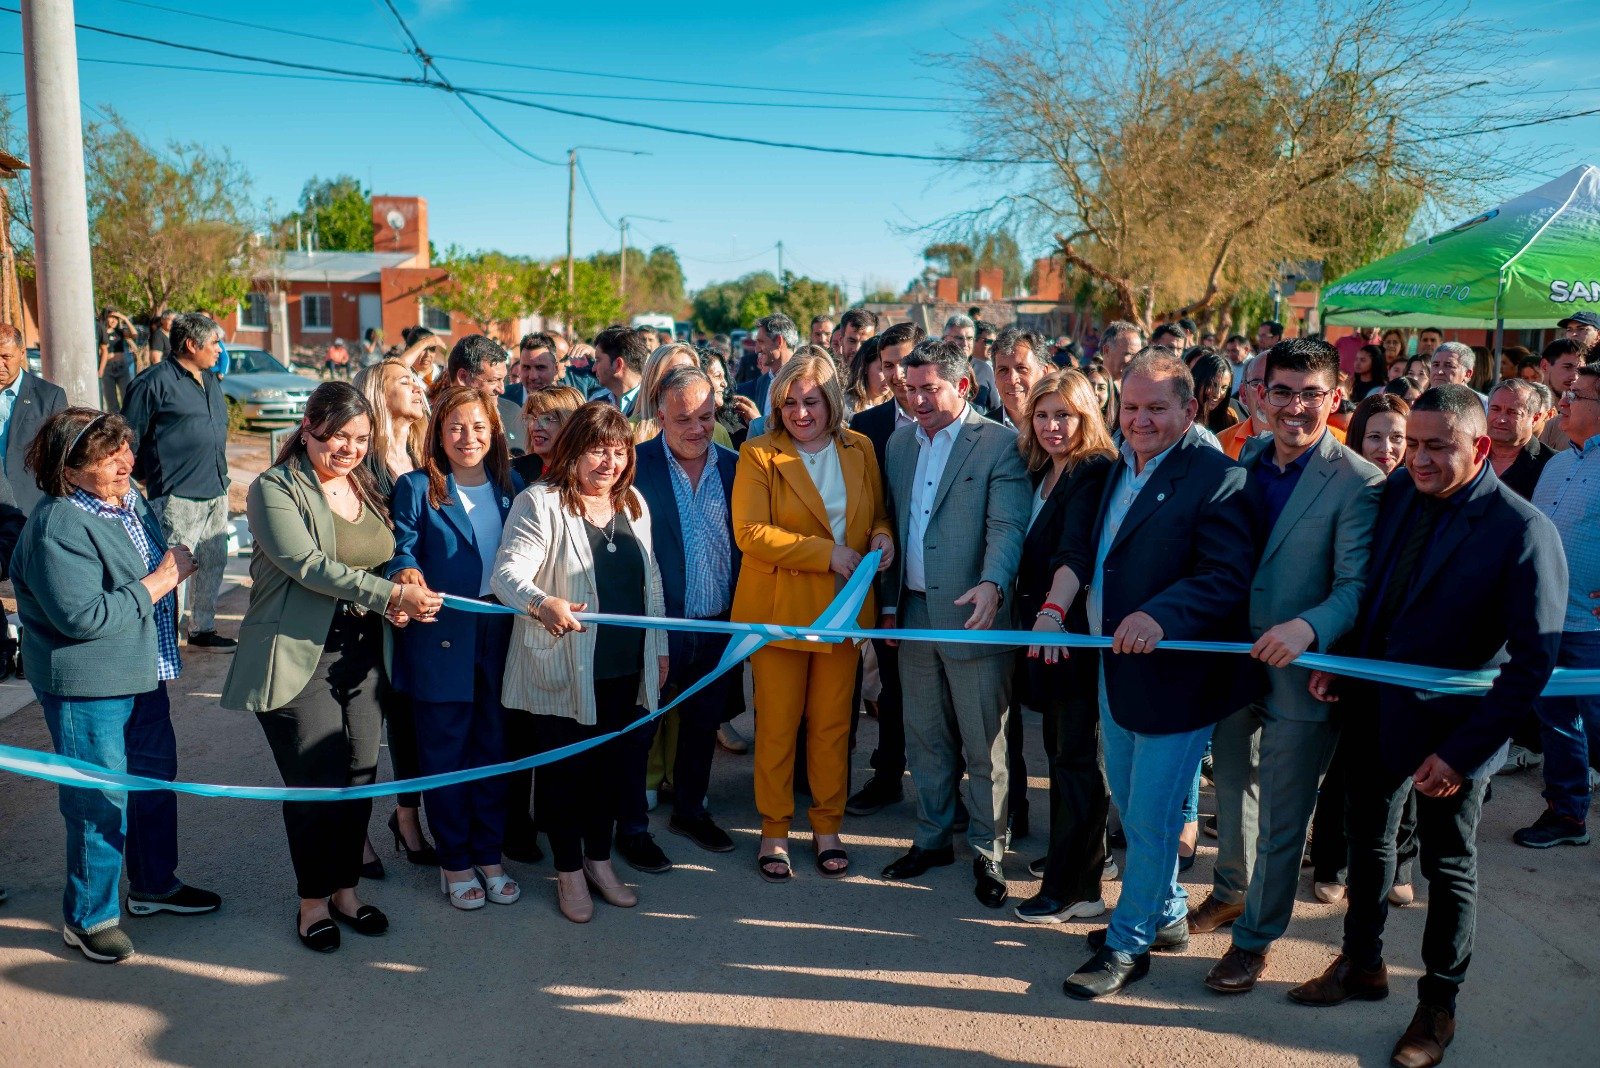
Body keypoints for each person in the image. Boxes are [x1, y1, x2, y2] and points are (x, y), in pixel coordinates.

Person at [1288, 385, 1566, 1068]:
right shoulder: (1398, 499)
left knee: (1448, 867)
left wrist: (1463, 754)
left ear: (1479, 447)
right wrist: (1344, 671)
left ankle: (1437, 1005)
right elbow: (1379, 605)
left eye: (1437, 446)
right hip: (1375, 714)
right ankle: (1361, 965)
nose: (1417, 458)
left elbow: (1532, 666)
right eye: (1412, 443)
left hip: (1455, 739)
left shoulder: (1523, 531)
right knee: (1369, 844)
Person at [1184, 339, 1384, 995]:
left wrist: (1308, 627)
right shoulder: (1243, 459)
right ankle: (1231, 893)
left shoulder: (1359, 481)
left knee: (1282, 816)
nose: (1295, 407)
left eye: (1310, 394)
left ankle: (1254, 942)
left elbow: (1356, 585)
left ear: (1334, 400)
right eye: (1283, 392)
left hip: (1305, 667)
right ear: (1260, 395)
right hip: (1233, 660)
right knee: (1233, 788)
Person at [1058, 350, 1255, 1001]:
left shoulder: (1217, 476)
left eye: (1156, 409)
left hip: (1175, 679)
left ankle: (1129, 943)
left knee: (1150, 815)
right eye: (1131, 407)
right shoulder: (1120, 464)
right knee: (1133, 806)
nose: (1139, 420)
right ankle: (1167, 914)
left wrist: (1160, 615)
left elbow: (1225, 579)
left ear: (1190, 410)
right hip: (1115, 672)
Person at [221, 383, 443, 953]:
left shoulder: (365, 483)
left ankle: (346, 892)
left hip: (365, 656)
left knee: (359, 777)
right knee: (318, 786)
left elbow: (389, 548)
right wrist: (387, 596)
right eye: (338, 435)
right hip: (299, 659)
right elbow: (307, 564)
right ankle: (312, 903)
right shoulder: (273, 488)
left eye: (361, 439)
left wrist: (404, 575)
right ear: (309, 425)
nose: (348, 448)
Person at [11, 407, 220, 963]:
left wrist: (167, 572)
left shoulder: (129, 501)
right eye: (108, 455)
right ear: (70, 469)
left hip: (140, 673)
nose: (126, 460)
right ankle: (88, 917)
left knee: (153, 782)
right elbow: (82, 617)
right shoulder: (59, 525)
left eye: (125, 447)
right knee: (98, 800)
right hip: (88, 685)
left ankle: (154, 885)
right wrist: (164, 578)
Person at [492, 403, 668, 923]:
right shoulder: (539, 503)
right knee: (565, 776)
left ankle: (598, 861)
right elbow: (506, 575)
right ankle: (568, 872)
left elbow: (651, 584)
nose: (609, 463)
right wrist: (542, 603)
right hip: (565, 669)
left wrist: (657, 650)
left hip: (625, 668)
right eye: (597, 450)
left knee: (612, 774)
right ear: (573, 451)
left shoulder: (633, 503)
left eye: (619, 451)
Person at [878, 339, 1029, 909]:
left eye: (929, 389)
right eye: (909, 388)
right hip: (914, 612)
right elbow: (893, 519)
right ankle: (932, 836)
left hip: (974, 614)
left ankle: (989, 850)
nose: (917, 399)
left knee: (982, 742)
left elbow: (1008, 527)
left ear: (962, 386)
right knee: (925, 737)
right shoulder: (897, 444)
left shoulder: (998, 444)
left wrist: (993, 584)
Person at [733, 353, 892, 881]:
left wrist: (882, 537)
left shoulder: (861, 447)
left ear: (833, 401)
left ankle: (828, 826)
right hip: (780, 613)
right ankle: (774, 831)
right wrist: (827, 554)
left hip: (844, 611)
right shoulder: (758, 453)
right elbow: (750, 532)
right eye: (791, 402)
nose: (802, 413)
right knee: (777, 728)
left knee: (832, 727)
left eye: (812, 401)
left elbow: (878, 512)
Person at [388, 386, 523, 910]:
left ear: (494, 434)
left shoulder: (513, 486)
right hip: (442, 631)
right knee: (446, 752)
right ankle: (455, 862)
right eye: (457, 428)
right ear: (438, 435)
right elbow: (401, 547)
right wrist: (406, 568)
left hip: (500, 631)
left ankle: (489, 855)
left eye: (479, 428)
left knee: (494, 746)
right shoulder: (416, 487)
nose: (469, 438)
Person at [1011, 371, 1115, 924]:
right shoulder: (1041, 470)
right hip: (1044, 632)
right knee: (1060, 754)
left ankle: (1076, 888)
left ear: (1086, 417)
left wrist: (1052, 612)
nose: (1053, 426)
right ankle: (1070, 864)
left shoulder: (1091, 470)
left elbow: (1076, 551)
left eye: (1065, 415)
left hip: (1070, 634)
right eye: (1043, 415)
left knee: (1076, 760)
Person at [633, 366, 741, 853]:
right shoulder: (635, 466)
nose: (698, 428)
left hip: (719, 622)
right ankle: (628, 825)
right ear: (660, 416)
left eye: (707, 416)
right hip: (658, 626)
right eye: (684, 419)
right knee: (642, 727)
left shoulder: (737, 468)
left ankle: (691, 812)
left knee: (702, 725)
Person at [1514, 362, 1600, 850]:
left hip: (1592, 630)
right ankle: (1567, 815)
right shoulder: (1558, 464)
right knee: (1558, 723)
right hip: (1546, 622)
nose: (1563, 402)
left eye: (1577, 395)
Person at [355, 359, 435, 870]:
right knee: (362, 726)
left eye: (416, 379)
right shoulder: (361, 462)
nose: (416, 385)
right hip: (371, 607)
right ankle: (354, 831)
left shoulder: (430, 455)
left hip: (423, 609)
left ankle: (407, 817)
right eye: (402, 380)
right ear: (377, 394)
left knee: (410, 721)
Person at [844, 320, 925, 817]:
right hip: (880, 577)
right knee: (888, 683)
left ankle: (955, 794)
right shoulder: (864, 430)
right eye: (888, 363)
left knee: (942, 688)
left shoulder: (964, 428)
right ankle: (887, 774)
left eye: (906, 363)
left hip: (941, 579)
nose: (896, 374)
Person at [122, 313, 235, 651]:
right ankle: (164, 636)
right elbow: (129, 438)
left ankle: (202, 629)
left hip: (216, 486)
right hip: (177, 494)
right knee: (175, 569)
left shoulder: (211, 378)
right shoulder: (151, 383)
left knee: (213, 561)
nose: (219, 350)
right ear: (191, 344)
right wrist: (145, 476)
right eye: (214, 343)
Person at [0, 324, 68, 514]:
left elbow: (61, 456)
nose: (0, 364)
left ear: (22, 353)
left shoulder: (49, 397)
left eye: (6, 357)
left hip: (30, 506)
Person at [633, 342, 734, 449]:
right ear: (653, 379)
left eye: (690, 373)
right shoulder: (630, 431)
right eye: (674, 374)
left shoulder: (717, 432)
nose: (683, 380)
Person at [1486, 379, 1554, 500]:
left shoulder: (1552, 465)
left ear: (1535, 418)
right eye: (1495, 409)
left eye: (1513, 412)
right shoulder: (1469, 454)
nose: (1501, 419)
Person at [512, 384, 585, 486]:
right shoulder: (513, 473)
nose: (534, 427)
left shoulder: (591, 474)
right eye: (531, 418)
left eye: (546, 419)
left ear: (570, 423)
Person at [735, 314, 798, 419]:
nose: (757, 350)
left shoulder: (804, 379)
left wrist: (757, 421)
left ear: (779, 341)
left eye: (761, 342)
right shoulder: (763, 382)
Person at [988, 327, 1048, 431]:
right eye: (1003, 370)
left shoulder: (1059, 430)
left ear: (1043, 374)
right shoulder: (982, 431)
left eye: (1021, 369)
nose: (1012, 379)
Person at [1538, 338, 1585, 450]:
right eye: (1567, 367)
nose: (1575, 377)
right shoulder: (1521, 404)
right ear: (1545, 366)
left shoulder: (1584, 416)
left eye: (1581, 370)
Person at [590, 325, 648, 416]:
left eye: (598, 360)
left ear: (618, 364)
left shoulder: (653, 404)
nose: (593, 368)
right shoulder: (596, 403)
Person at [943, 313, 995, 410]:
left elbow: (996, 409)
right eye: (959, 338)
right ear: (945, 339)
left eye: (969, 338)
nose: (965, 344)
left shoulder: (984, 370)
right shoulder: (935, 368)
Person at [97, 308, 138, 414]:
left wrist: (124, 319)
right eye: (112, 317)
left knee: (127, 396)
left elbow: (135, 335)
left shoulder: (119, 332)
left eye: (116, 318)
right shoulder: (100, 331)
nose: (114, 320)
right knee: (111, 401)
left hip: (121, 367)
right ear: (105, 318)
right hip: (107, 368)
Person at [1191, 352, 1236, 433]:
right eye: (1212, 385)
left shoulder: (1230, 418)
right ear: (1197, 381)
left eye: (1224, 388)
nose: (1217, 394)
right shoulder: (1182, 417)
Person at [845, 335, 889, 416]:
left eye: (891, 368)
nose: (889, 376)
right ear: (865, 367)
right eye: (882, 369)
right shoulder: (844, 407)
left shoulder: (899, 407)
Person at [1085, 361, 1118, 431]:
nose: (1095, 392)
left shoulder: (1118, 428)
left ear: (1109, 394)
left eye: (1101, 388)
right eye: (1090, 386)